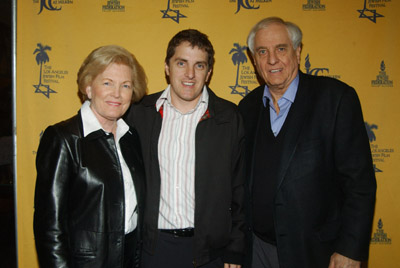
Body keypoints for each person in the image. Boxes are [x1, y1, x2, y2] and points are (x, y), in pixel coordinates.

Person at [238, 17, 376, 268]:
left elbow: (360, 184)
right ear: (253, 59)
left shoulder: (336, 99)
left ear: (298, 51)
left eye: (281, 48)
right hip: (256, 250)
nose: (272, 59)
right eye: (262, 51)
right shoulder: (246, 108)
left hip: (316, 253)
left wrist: (350, 249)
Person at [125, 29, 246, 268]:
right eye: (182, 63)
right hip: (153, 249)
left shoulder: (228, 118)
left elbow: (240, 188)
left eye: (199, 66)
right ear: (167, 67)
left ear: (209, 72)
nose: (190, 74)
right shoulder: (139, 114)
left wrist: (235, 248)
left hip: (211, 254)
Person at [34, 45, 147, 268]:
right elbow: (49, 226)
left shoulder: (130, 137)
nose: (117, 93)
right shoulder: (64, 139)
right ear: (88, 87)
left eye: (125, 85)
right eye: (107, 83)